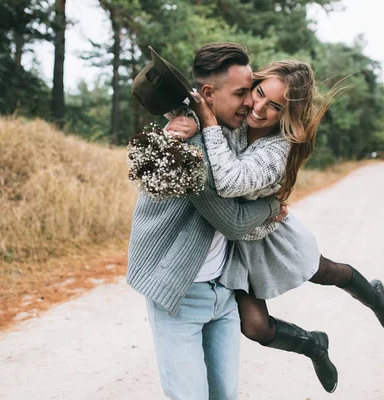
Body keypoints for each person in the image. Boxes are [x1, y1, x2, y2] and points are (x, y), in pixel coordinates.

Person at [167, 58, 384, 393]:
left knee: (324, 271)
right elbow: (204, 103)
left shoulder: (278, 149)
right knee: (256, 327)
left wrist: (208, 125)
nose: (258, 107)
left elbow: (231, 182)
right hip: (235, 242)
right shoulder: (239, 113)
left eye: (274, 106)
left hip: (269, 233)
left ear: (287, 113)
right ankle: (313, 345)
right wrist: (186, 120)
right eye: (258, 93)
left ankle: (372, 293)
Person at [127, 43, 284, 400]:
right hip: (179, 293)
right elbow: (232, 221)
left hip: (223, 293)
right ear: (209, 94)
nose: (251, 104)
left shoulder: (226, 130)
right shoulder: (190, 145)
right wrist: (272, 206)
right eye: (242, 93)